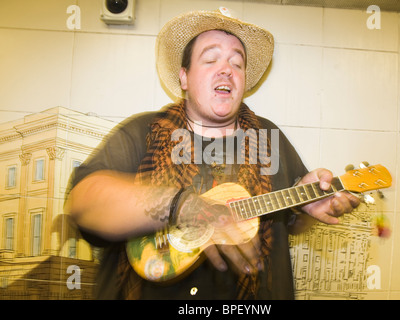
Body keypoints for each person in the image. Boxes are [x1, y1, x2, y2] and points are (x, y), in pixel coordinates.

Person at [66, 9, 360, 300]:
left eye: (237, 63)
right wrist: (182, 206)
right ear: (184, 77)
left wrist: (305, 203)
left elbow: (291, 224)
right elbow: (84, 203)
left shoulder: (271, 139)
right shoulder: (143, 131)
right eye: (210, 59)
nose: (227, 70)